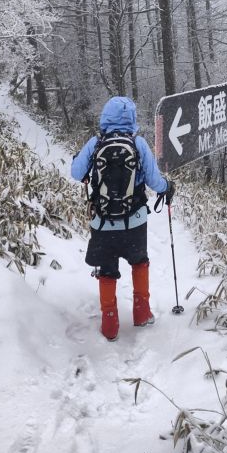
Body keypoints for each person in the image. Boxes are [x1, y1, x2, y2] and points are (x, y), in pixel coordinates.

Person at [71, 96, 174, 341]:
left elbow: (76, 173)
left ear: (105, 117)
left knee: (107, 271)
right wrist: (167, 187)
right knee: (139, 261)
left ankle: (109, 324)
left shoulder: (96, 143)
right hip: (135, 220)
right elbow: (154, 181)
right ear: (132, 119)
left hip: (103, 222)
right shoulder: (138, 143)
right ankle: (141, 312)